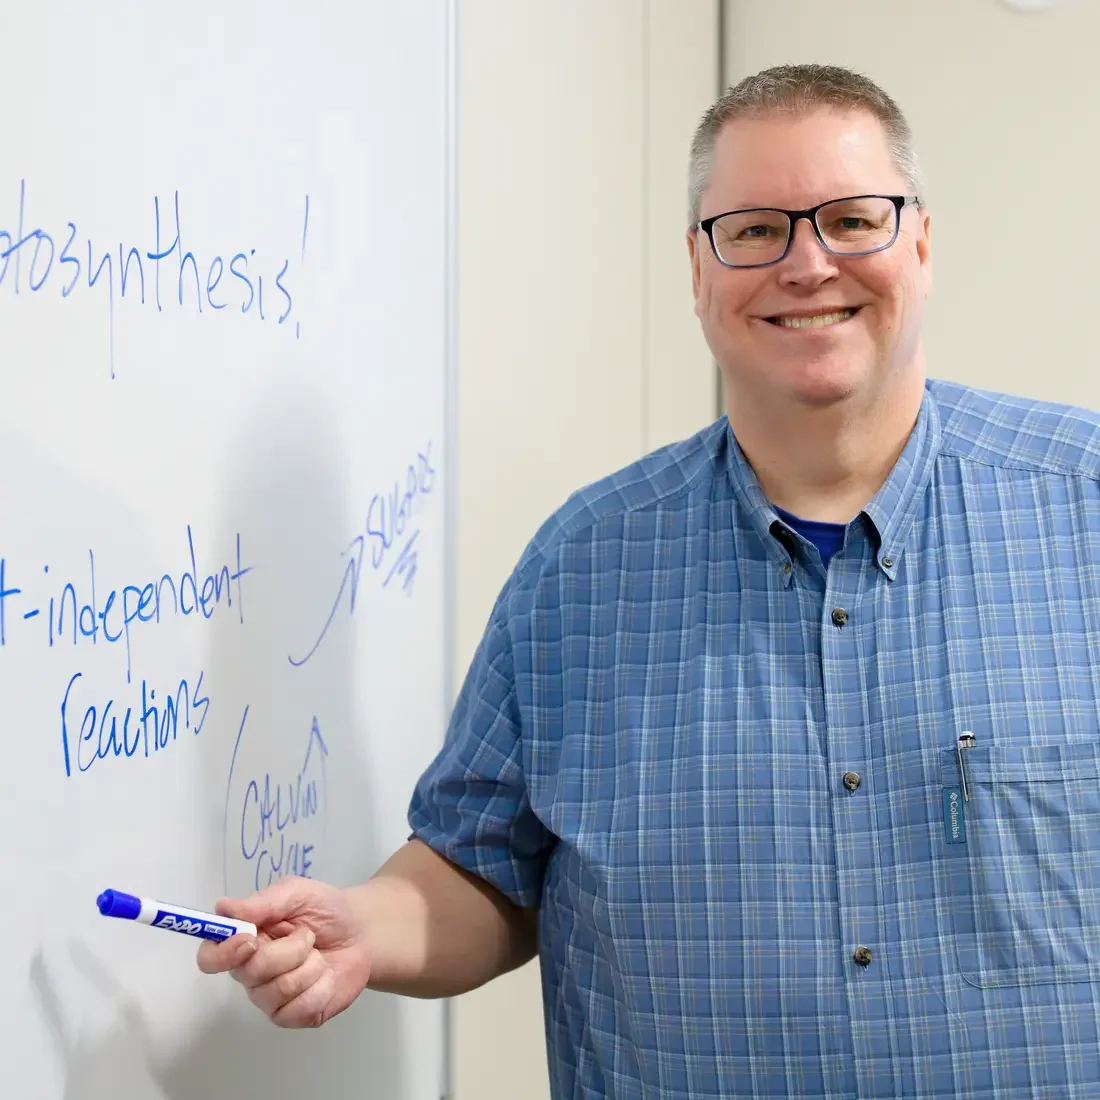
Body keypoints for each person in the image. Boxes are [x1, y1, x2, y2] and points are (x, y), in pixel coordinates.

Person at [199, 63, 1100, 1098]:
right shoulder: (581, 569)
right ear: (697, 267)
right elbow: (478, 868)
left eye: (853, 220)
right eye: (754, 230)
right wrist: (363, 928)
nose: (807, 264)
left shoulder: (1081, 509)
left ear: (922, 244)